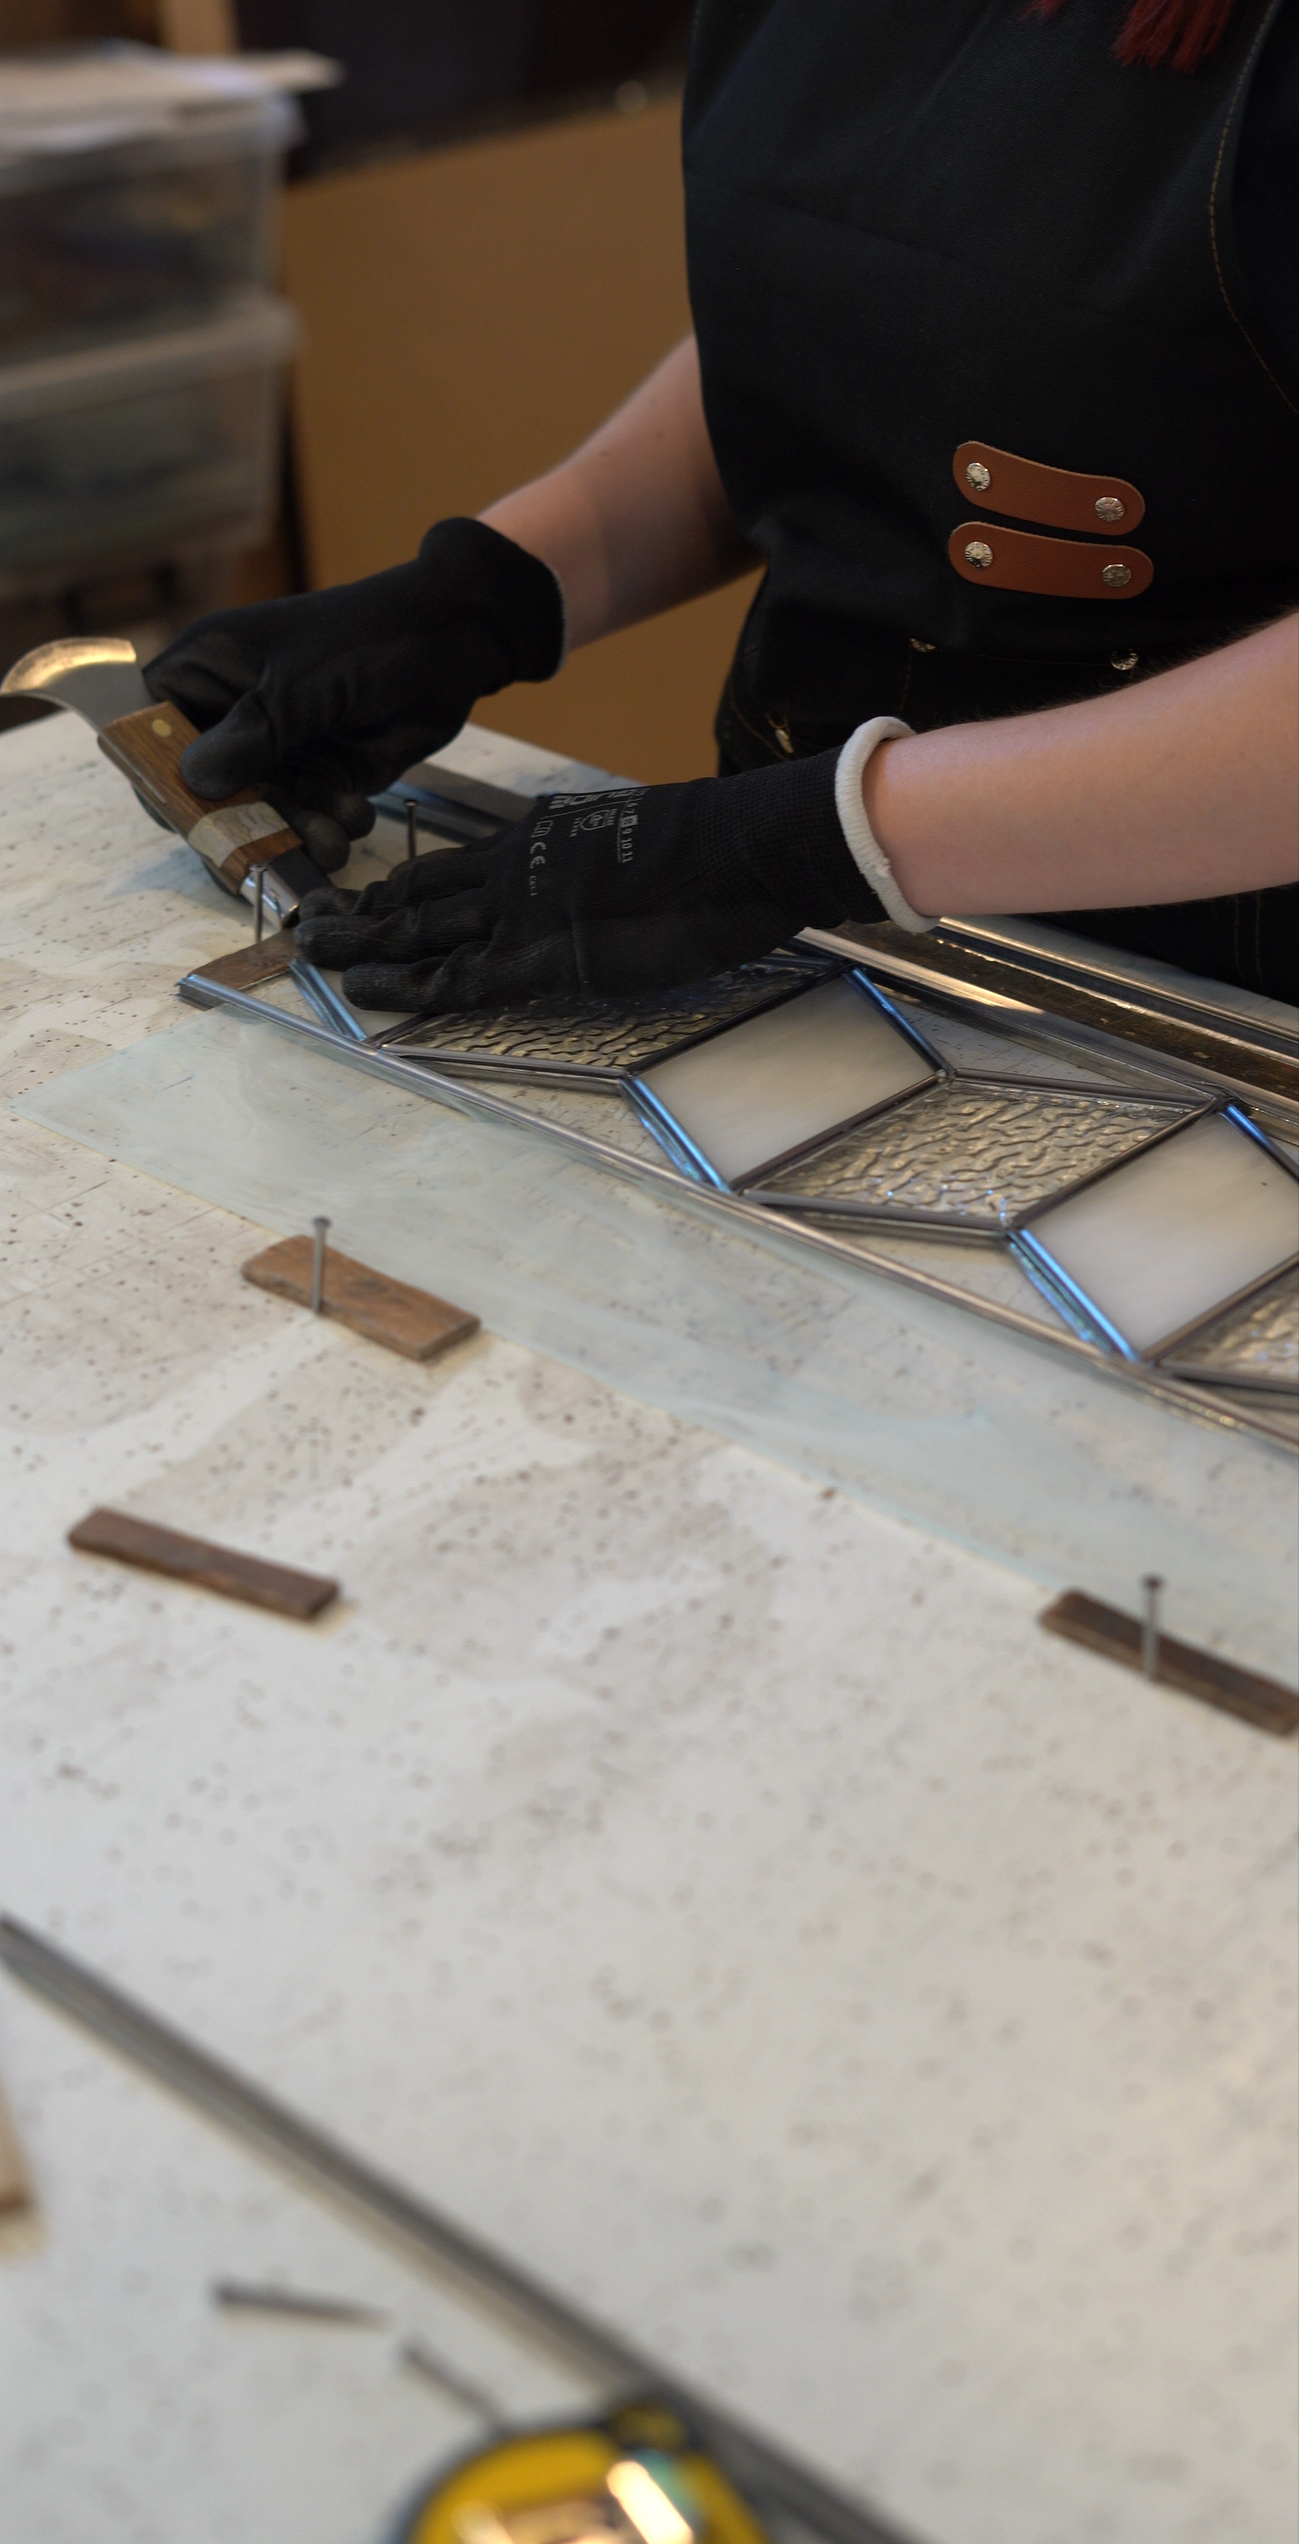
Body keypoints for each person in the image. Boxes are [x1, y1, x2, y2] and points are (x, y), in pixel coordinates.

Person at [146, 0, 1298, 1013]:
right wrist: (490, 590)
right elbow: (858, 332)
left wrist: (809, 841)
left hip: (1215, 990)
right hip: (790, 913)